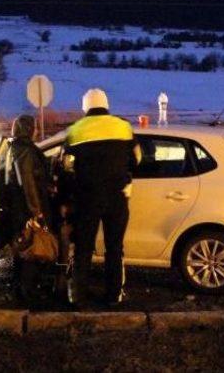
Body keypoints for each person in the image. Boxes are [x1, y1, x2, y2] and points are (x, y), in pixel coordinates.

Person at [64, 88, 139, 308]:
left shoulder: (75, 131)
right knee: (114, 248)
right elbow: (137, 159)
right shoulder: (123, 127)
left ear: (85, 106)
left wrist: (69, 193)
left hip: (87, 199)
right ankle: (113, 295)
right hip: (117, 198)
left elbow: (66, 166)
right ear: (106, 104)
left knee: (83, 248)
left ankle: (78, 297)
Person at [4, 114, 52, 301]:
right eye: (35, 127)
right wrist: (36, 212)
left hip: (17, 207)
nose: (37, 131)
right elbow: (29, 183)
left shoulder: (13, 148)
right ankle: (27, 293)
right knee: (30, 249)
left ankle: (20, 289)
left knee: (22, 247)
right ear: (29, 129)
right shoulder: (25, 151)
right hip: (26, 209)